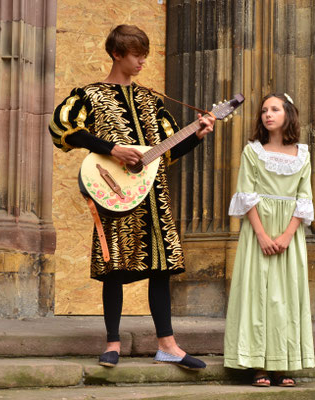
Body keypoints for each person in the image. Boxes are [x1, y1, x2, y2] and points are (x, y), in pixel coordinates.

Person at [48, 24, 215, 369]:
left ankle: (167, 344)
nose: (142, 62)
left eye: (144, 55)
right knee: (114, 266)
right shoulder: (90, 95)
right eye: (136, 55)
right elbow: (62, 127)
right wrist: (111, 149)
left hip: (153, 193)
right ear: (117, 54)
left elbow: (167, 151)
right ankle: (113, 343)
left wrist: (198, 134)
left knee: (161, 268)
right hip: (114, 192)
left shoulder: (152, 100)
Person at [224, 93, 315, 387]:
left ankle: (284, 364)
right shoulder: (252, 152)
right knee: (257, 295)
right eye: (264, 110)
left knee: (286, 296)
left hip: (289, 234)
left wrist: (288, 235)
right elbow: (246, 194)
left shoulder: (303, 154)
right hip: (258, 231)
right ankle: (258, 364)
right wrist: (262, 235)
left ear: (288, 113)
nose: (268, 114)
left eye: (274, 109)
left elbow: (304, 197)